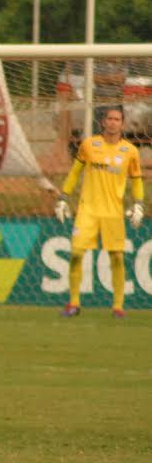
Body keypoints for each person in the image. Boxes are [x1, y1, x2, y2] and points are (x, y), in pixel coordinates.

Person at [54, 105, 144, 318]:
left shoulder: (130, 151)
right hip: (88, 210)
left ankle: (118, 307)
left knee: (117, 258)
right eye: (109, 118)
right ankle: (74, 304)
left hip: (113, 212)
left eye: (117, 119)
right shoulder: (89, 145)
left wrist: (138, 203)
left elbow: (137, 180)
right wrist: (63, 198)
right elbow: (75, 173)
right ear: (103, 122)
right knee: (76, 254)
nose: (113, 122)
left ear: (122, 123)